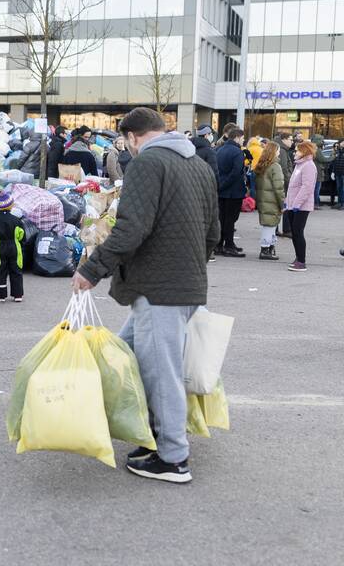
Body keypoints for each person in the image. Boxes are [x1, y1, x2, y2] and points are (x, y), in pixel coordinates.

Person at [73, 107, 219, 484]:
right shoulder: (198, 164)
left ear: (132, 136)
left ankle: (172, 457)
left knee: (160, 371)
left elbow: (131, 229)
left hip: (159, 287)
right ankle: (149, 433)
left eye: (127, 143)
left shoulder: (147, 165)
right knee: (125, 355)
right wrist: (192, 268)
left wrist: (91, 269)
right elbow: (213, 231)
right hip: (184, 284)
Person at [284, 140, 317, 272]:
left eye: (297, 150)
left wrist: (296, 204)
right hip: (293, 205)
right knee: (295, 233)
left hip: (301, 206)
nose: (294, 153)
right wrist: (288, 202)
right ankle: (298, 257)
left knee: (298, 232)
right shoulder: (299, 165)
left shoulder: (309, 165)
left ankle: (301, 261)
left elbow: (307, 187)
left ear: (304, 151)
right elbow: (292, 186)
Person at [0, 192, 26, 302]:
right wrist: (20, 245)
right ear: (10, 206)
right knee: (16, 270)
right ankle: (18, 295)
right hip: (14, 247)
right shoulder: (17, 221)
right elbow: (22, 236)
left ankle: (0, 296)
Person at [214, 126, 246, 257]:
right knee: (230, 220)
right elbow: (236, 173)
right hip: (233, 192)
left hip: (222, 190)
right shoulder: (237, 152)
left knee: (222, 219)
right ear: (237, 137)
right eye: (243, 138)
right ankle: (228, 246)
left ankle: (221, 245)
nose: (243, 141)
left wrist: (220, 186)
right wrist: (225, 185)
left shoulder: (219, 149)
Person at [253, 141, 285, 261]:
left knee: (269, 225)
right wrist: (282, 203)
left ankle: (269, 248)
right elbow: (279, 188)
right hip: (272, 200)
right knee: (270, 226)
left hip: (264, 199)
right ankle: (265, 249)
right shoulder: (275, 166)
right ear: (274, 151)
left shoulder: (262, 164)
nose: (279, 152)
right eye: (278, 150)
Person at [272, 132, 296, 236]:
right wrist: (289, 184)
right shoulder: (281, 150)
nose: (292, 142)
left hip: (281, 183)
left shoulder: (282, 149)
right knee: (282, 206)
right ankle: (284, 229)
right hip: (283, 184)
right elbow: (284, 170)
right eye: (291, 140)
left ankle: (277, 229)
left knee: (279, 206)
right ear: (284, 139)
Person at [310, 135, 331, 209]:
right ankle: (316, 204)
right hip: (317, 172)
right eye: (321, 140)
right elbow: (323, 159)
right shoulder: (317, 150)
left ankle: (316, 203)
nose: (323, 142)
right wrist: (333, 156)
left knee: (315, 189)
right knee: (316, 189)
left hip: (316, 171)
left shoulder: (313, 148)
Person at [332, 140, 344, 210]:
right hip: (337, 173)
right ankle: (339, 203)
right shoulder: (338, 151)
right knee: (339, 188)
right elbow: (335, 162)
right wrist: (333, 172)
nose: (342, 144)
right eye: (341, 142)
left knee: (343, 189)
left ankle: (342, 203)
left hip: (343, 173)